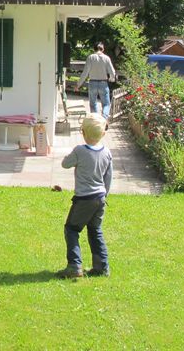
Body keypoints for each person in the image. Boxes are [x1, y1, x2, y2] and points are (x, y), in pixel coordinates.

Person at [57, 114, 112, 279]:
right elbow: (108, 177)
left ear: (83, 132)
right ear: (103, 133)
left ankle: (74, 266)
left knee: (72, 229)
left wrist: (72, 156)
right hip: (101, 197)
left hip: (84, 198)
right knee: (95, 230)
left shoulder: (80, 151)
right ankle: (102, 267)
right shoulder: (107, 152)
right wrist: (104, 194)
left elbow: (65, 164)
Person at [74, 42, 116, 120]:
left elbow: (85, 73)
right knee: (106, 104)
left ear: (94, 49)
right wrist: (111, 79)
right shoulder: (106, 58)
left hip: (92, 83)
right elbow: (112, 72)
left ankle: (96, 121)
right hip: (103, 83)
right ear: (103, 49)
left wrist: (78, 85)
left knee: (93, 104)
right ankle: (103, 119)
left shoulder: (90, 57)